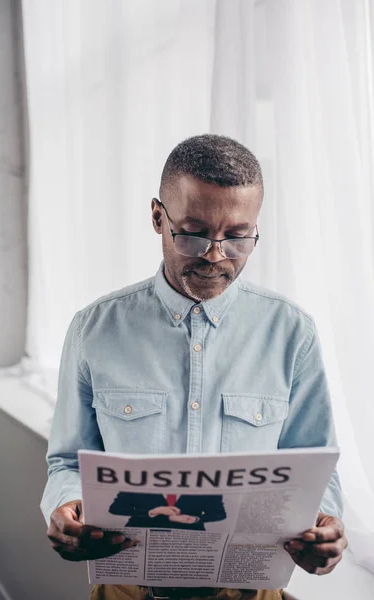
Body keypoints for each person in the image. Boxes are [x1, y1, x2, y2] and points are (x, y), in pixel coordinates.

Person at [42, 134, 348, 600]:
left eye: (238, 237)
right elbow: (67, 460)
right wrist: (65, 505)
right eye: (193, 232)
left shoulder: (292, 333)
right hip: (127, 588)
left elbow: (316, 468)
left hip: (250, 590)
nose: (215, 255)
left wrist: (326, 525)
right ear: (157, 217)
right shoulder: (93, 330)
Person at [108, 492, 227, 530]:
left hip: (189, 545)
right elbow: (115, 508)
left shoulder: (206, 485)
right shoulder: (137, 479)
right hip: (140, 540)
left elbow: (219, 513)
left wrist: (195, 519)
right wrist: (152, 511)